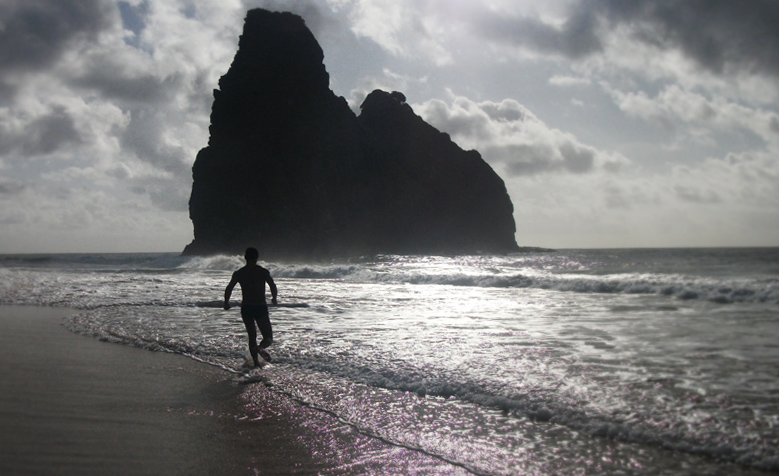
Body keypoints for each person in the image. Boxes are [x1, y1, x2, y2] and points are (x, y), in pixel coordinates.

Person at [224, 247, 278, 367]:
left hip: (246, 308)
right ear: (257, 258)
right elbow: (272, 285)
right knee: (268, 336)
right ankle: (261, 347)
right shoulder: (263, 271)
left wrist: (226, 302)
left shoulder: (239, 273)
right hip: (260, 307)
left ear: (245, 257)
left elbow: (229, 288)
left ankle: (256, 363)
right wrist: (274, 298)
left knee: (252, 336)